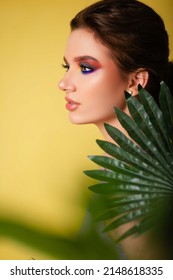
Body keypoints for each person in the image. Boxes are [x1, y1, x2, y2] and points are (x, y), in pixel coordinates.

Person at [59, 0, 173, 259]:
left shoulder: (144, 183)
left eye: (85, 68)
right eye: (67, 66)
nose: (64, 83)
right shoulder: (115, 168)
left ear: (135, 81)